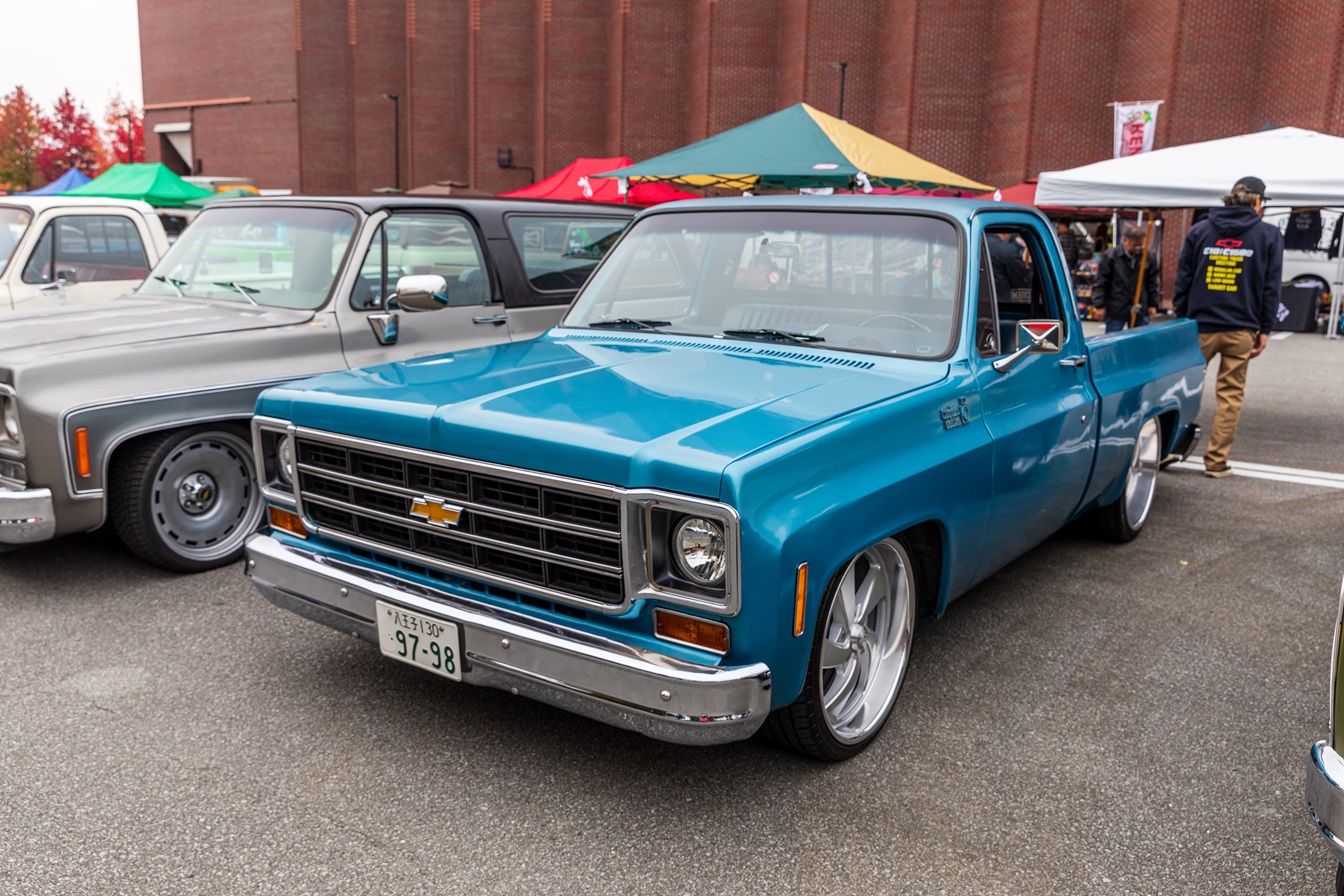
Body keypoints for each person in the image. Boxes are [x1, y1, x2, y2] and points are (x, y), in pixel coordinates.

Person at [1173, 175, 1282, 478]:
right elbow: (1271, 287)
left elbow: (1183, 279)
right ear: (1257, 200)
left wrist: (1182, 319)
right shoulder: (1268, 235)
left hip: (1199, 326)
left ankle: (1170, 449)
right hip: (1241, 328)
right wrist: (1264, 329)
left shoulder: (1200, 230)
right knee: (1230, 397)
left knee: (1182, 389)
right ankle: (1216, 461)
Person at [1092, 224, 1161, 332]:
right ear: (1125, 240)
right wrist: (1099, 305)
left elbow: (1152, 282)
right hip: (1116, 307)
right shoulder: (1111, 256)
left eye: (1140, 245)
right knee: (1113, 339)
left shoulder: (1148, 256)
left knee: (1140, 339)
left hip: (1139, 307)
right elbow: (1101, 282)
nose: (1137, 249)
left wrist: (1153, 304)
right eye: (1134, 245)